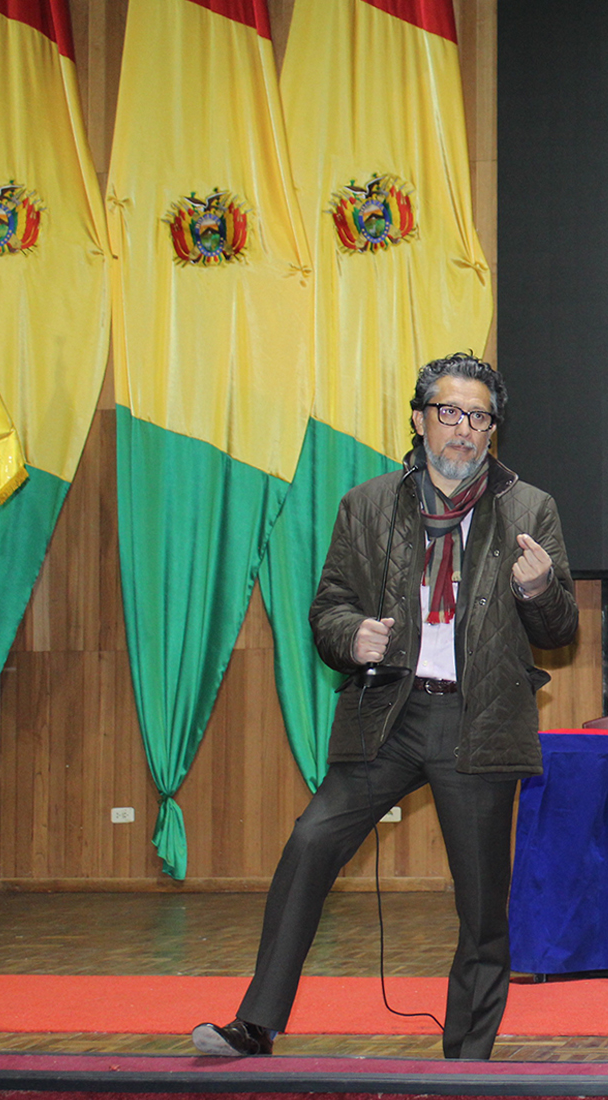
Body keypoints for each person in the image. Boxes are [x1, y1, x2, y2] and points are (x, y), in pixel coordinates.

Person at [192, 353, 578, 1060]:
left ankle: (466, 1061)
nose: (464, 429)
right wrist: (353, 636)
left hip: (480, 722)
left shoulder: (530, 509)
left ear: (493, 429)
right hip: (390, 717)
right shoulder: (367, 505)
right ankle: (256, 1023)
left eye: (480, 417)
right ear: (420, 420)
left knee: (482, 906)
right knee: (310, 844)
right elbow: (329, 608)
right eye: (449, 412)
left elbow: (559, 632)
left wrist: (538, 589)